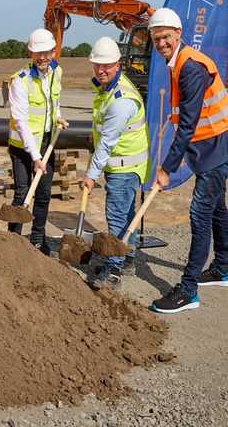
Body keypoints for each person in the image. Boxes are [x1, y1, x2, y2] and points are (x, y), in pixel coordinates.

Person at [147, 8, 228, 314]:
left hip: (217, 144)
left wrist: (166, 168)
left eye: (166, 36)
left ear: (179, 33)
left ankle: (188, 290)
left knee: (199, 214)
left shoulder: (190, 67)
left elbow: (188, 125)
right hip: (212, 143)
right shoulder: (177, 61)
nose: (162, 42)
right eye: (156, 38)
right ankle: (222, 270)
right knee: (217, 206)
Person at [80, 36, 151, 290]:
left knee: (117, 217)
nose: (101, 70)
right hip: (125, 164)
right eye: (97, 65)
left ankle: (113, 270)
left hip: (123, 166)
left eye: (106, 65)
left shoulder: (121, 99)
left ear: (118, 64)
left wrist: (90, 175)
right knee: (127, 213)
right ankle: (128, 258)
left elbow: (108, 142)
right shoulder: (109, 87)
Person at [6, 29, 69, 254]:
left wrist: (57, 115)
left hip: (46, 142)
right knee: (22, 193)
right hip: (23, 147)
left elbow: (55, 99)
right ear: (30, 53)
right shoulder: (20, 81)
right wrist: (35, 157)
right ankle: (13, 242)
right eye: (37, 52)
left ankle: (37, 240)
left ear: (53, 51)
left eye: (47, 52)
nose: (42, 57)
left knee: (43, 194)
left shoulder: (56, 71)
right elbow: (21, 122)